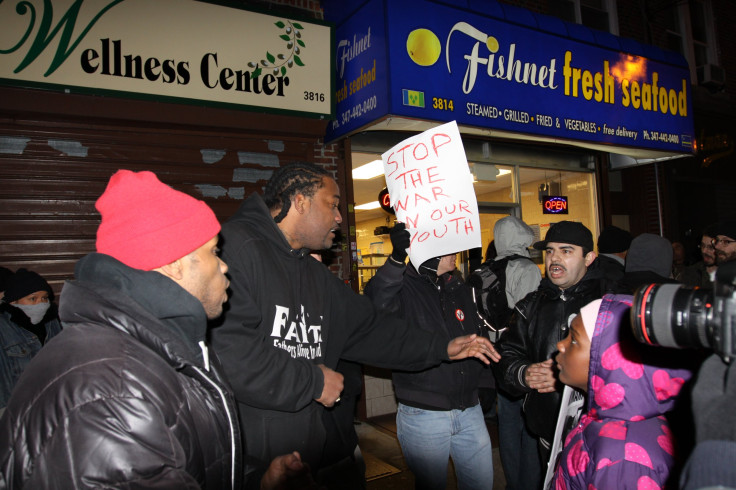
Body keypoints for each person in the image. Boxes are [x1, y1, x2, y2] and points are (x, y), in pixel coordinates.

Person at [0, 170, 313, 489]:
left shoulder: (165, 349)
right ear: (175, 262)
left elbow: (192, 461)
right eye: (214, 252)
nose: (224, 266)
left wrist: (258, 481)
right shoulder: (114, 392)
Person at [209, 162, 496, 487]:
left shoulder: (312, 272)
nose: (339, 218)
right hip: (251, 462)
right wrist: (314, 382)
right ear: (300, 201)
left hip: (310, 452)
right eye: (331, 205)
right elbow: (230, 353)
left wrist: (441, 347)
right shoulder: (236, 249)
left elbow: (371, 328)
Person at [364, 223, 500, 490]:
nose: (455, 253)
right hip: (424, 413)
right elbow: (376, 305)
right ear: (429, 250)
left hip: (468, 409)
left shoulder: (457, 286)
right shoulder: (403, 286)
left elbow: (474, 338)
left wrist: (484, 384)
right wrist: (395, 259)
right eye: (447, 247)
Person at [496, 220, 621, 469]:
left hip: (601, 436)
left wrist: (567, 377)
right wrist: (524, 373)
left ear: (589, 258)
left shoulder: (611, 303)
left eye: (566, 251)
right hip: (548, 433)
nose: (555, 259)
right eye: (550, 251)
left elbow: (628, 370)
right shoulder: (530, 305)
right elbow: (507, 355)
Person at [553, 295, 692, 489]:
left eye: (574, 340)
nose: (560, 345)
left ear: (612, 359)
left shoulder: (624, 461)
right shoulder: (610, 417)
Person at [488, 216, 543, 490]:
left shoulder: (486, 270)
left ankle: (513, 482)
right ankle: (529, 484)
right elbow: (529, 317)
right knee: (531, 428)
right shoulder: (527, 269)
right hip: (522, 358)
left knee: (507, 426)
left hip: (496, 358)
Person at [0, 268, 62, 410]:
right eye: (32, 299)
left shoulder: (52, 322)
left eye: (44, 298)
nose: (40, 304)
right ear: (13, 301)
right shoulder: (4, 328)